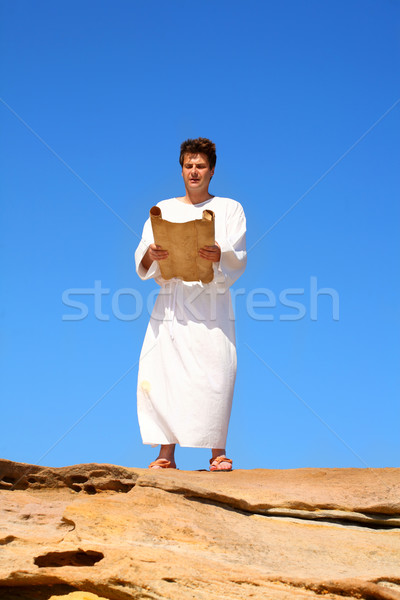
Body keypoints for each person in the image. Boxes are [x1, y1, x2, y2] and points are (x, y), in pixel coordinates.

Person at [134, 137, 246, 471]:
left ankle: (217, 453)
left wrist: (219, 253)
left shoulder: (229, 208)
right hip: (172, 303)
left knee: (217, 373)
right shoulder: (164, 208)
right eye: (188, 166)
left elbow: (237, 255)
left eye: (200, 166)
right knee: (164, 372)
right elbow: (142, 254)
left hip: (212, 304)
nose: (193, 172)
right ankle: (165, 455)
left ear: (211, 170)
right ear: (181, 169)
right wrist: (151, 254)